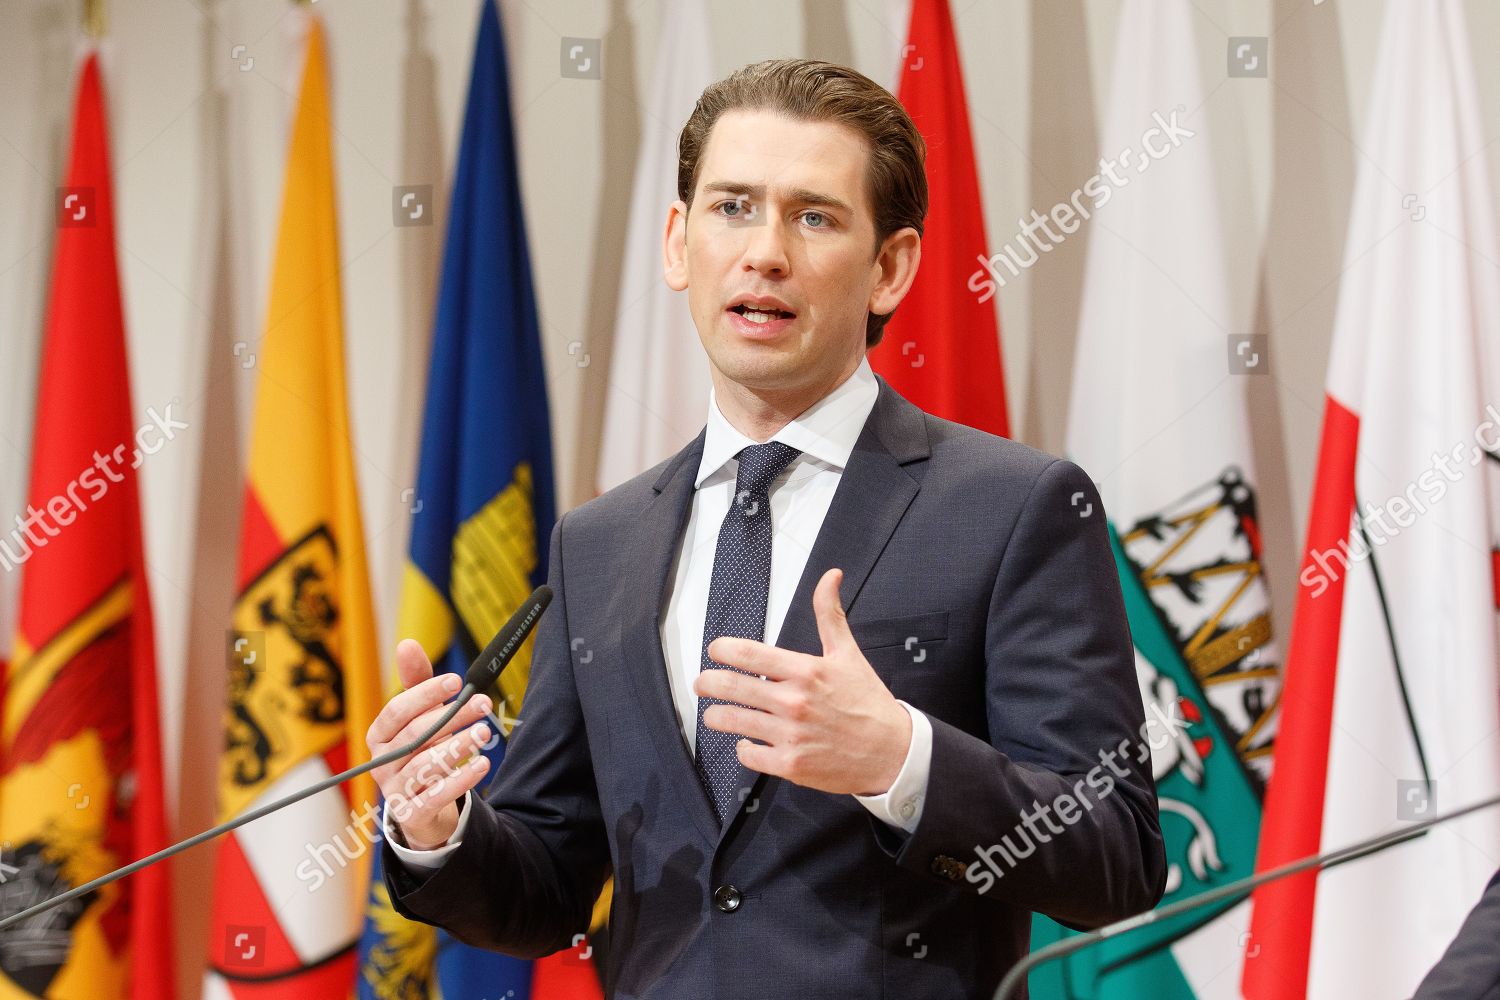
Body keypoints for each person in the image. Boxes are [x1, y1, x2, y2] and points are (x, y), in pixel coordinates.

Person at [366, 58, 1165, 998]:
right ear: (677, 242)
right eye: (732, 207)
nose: (765, 253)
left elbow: (1115, 857)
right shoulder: (600, 543)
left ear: (890, 268)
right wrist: (436, 828)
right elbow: (546, 885)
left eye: (815, 216)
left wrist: (900, 759)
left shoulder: (1013, 508)